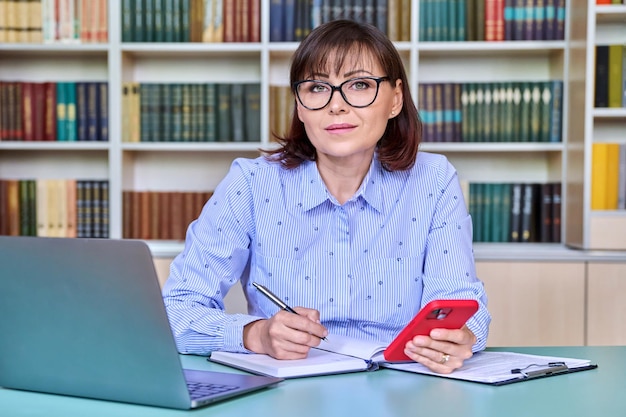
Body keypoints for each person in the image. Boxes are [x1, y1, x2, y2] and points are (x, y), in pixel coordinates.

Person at [162, 19, 491, 374]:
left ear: (395, 99)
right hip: (289, 393)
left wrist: (461, 336)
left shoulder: (433, 180)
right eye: (318, 88)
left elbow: (460, 304)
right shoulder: (252, 183)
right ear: (300, 106)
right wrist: (254, 334)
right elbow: (177, 308)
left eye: (360, 84)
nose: (337, 105)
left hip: (402, 386)